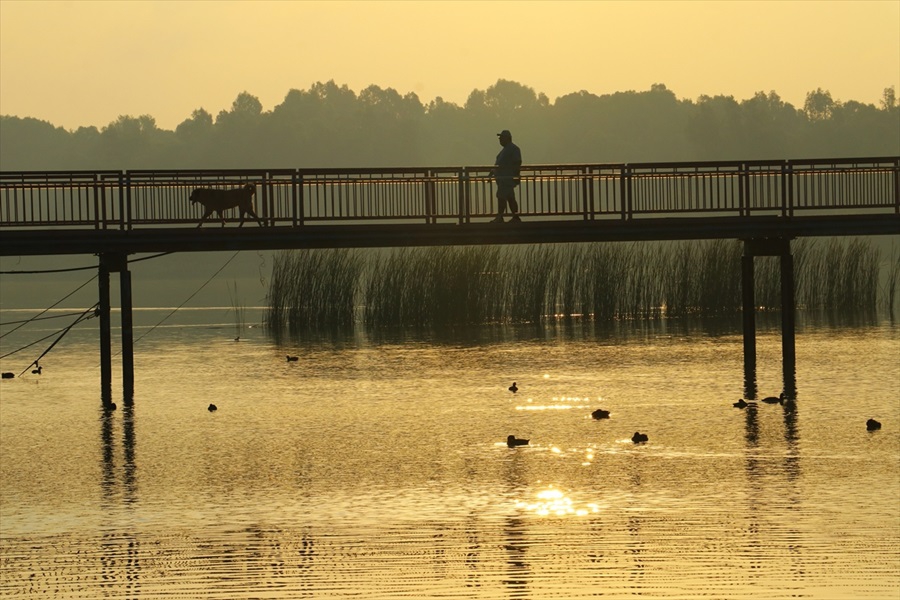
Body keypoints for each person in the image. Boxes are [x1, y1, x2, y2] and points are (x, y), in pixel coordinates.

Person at [490, 130, 522, 223]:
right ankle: (515, 217)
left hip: (506, 178)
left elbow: (517, 162)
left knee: (501, 197)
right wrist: (492, 173)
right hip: (503, 179)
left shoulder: (513, 149)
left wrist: (516, 176)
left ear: (507, 138)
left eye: (502, 138)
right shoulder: (506, 149)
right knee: (510, 198)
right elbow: (498, 165)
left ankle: (500, 217)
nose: (500, 139)